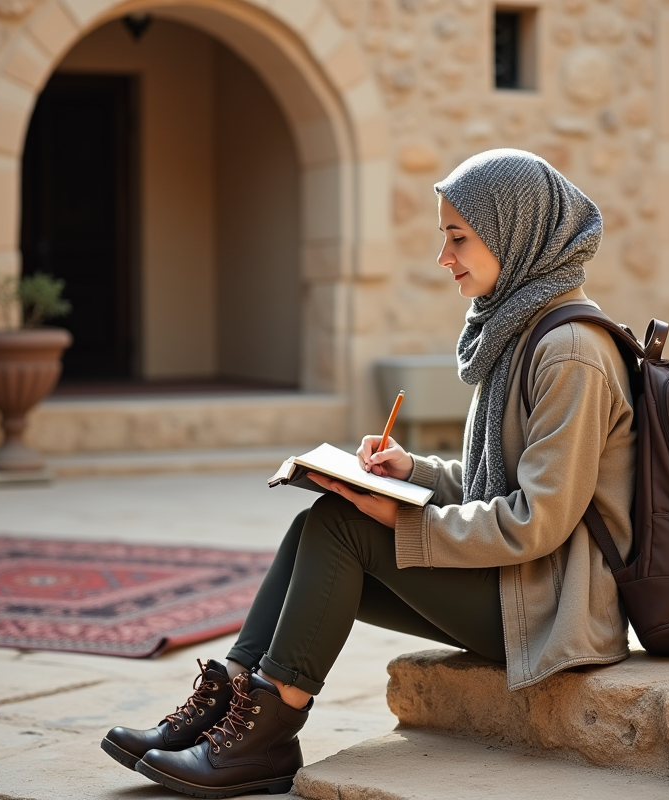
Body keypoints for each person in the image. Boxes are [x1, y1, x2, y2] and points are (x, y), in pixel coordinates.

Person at [100, 149, 636, 798]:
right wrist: (413, 472)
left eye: (458, 238)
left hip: (551, 608)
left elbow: (538, 520)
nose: (445, 258)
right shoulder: (522, 331)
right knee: (316, 524)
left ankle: (268, 731)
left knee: (342, 529)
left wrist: (407, 518)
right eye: (445, 238)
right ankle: (235, 702)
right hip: (517, 585)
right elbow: (498, 482)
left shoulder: (570, 351)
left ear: (513, 232)